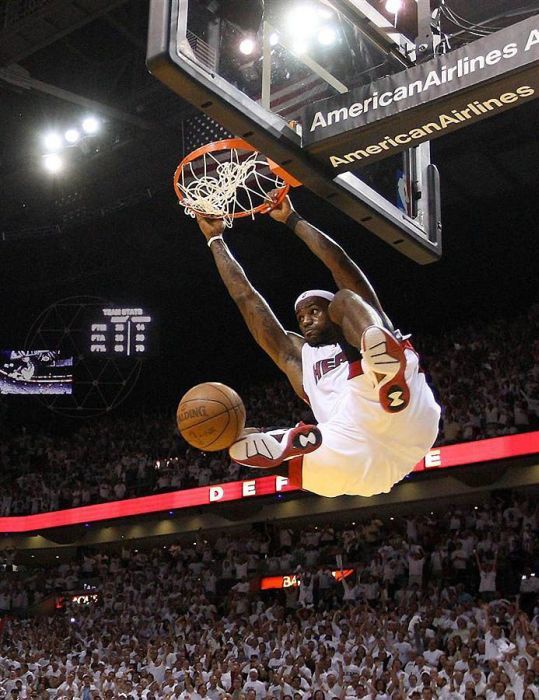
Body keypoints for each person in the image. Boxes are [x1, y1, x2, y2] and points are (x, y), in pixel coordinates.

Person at [195, 193, 440, 497]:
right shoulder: (301, 357)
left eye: (314, 311)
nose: (307, 320)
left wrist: (292, 219)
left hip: (399, 413)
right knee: (241, 441)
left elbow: (341, 264)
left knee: (347, 300)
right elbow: (246, 298)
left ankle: (384, 376)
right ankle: (282, 447)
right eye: (300, 317)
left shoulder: (358, 316)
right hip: (347, 448)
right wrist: (215, 240)